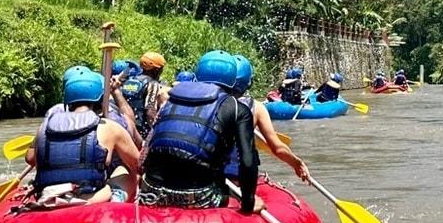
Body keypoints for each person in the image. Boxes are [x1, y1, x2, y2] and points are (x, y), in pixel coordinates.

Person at [141, 50, 308, 212]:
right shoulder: (239, 108)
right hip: (199, 196)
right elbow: (247, 161)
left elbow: (145, 153)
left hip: (150, 192)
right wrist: (248, 202)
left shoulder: (171, 99)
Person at [25, 66, 139, 204]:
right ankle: (115, 200)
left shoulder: (44, 127)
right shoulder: (109, 127)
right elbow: (140, 165)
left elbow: (30, 158)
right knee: (128, 171)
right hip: (90, 198)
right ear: (100, 99)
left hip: (48, 195)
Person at [225, 54, 312, 212]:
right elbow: (277, 148)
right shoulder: (256, 108)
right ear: (248, 82)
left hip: (208, 179)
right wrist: (296, 163)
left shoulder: (208, 104)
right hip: (236, 181)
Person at [121, 51, 169, 137]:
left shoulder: (130, 80)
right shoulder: (153, 84)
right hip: (140, 130)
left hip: (124, 124)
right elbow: (150, 111)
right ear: (156, 69)